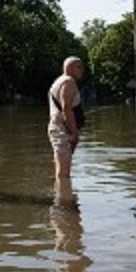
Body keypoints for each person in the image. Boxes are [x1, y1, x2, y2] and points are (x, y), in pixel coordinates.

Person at [48, 56, 85, 201]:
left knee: (61, 171)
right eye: (79, 66)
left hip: (59, 130)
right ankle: (64, 209)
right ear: (69, 68)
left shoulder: (60, 81)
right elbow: (66, 108)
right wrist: (75, 133)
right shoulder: (68, 82)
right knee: (64, 174)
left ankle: (61, 202)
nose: (82, 70)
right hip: (62, 131)